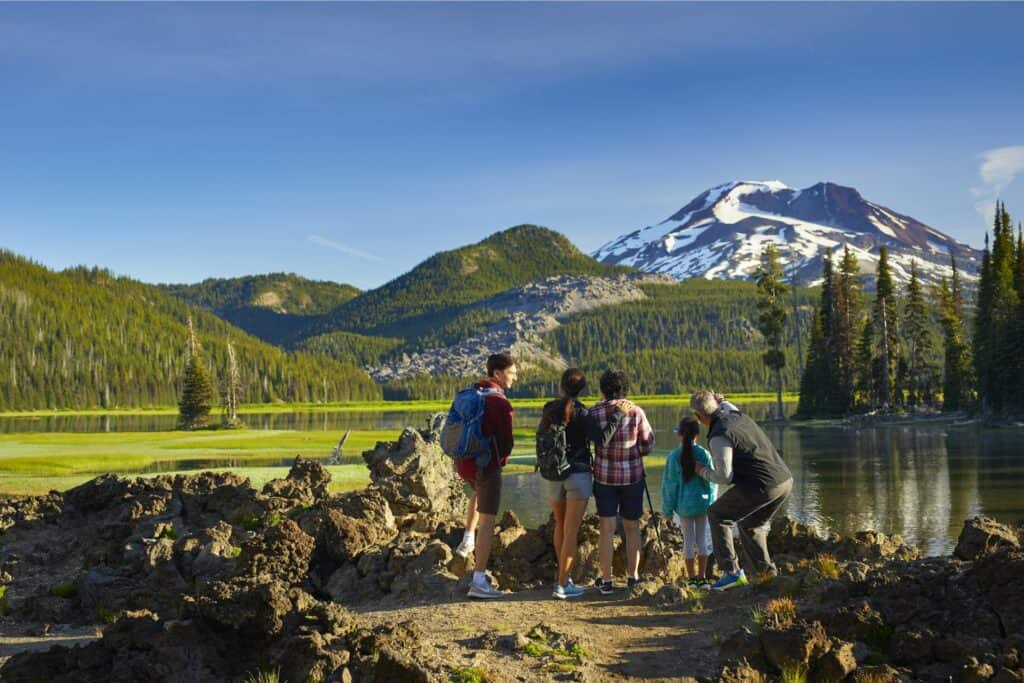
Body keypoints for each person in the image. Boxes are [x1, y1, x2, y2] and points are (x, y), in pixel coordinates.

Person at [690, 389, 793, 590]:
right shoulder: (735, 413)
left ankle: (732, 573)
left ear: (698, 417)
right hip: (785, 480)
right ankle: (766, 575)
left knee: (718, 513)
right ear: (717, 405)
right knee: (750, 526)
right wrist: (721, 400)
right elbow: (726, 404)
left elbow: (723, 476)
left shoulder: (718, 436)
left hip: (763, 485)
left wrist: (700, 470)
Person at [454, 353, 517, 599]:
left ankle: (467, 539)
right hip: (486, 466)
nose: (515, 377)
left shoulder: (472, 393)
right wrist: (499, 463)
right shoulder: (500, 403)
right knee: (489, 522)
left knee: (478, 495)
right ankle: (479, 580)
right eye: (512, 373)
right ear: (498, 374)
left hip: (464, 464)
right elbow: (507, 442)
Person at [588, 369, 655, 594]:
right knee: (632, 527)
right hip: (632, 478)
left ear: (602, 389)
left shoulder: (594, 411)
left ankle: (606, 580)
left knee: (606, 529)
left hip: (604, 478)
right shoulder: (636, 411)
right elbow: (647, 445)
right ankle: (632, 577)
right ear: (625, 387)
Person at [537, 368, 593, 600]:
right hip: (577, 475)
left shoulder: (549, 408)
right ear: (582, 389)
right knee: (571, 531)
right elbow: (599, 440)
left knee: (560, 526)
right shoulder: (583, 413)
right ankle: (562, 585)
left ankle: (564, 578)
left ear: (561, 386)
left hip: (552, 474)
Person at [661, 416, 716, 586]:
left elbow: (669, 487)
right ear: (697, 435)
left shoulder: (673, 456)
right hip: (702, 504)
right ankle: (703, 578)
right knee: (702, 540)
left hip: (684, 506)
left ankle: (691, 579)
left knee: (689, 541)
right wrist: (712, 503)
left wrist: (667, 512)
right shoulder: (704, 454)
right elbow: (712, 482)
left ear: (680, 434)